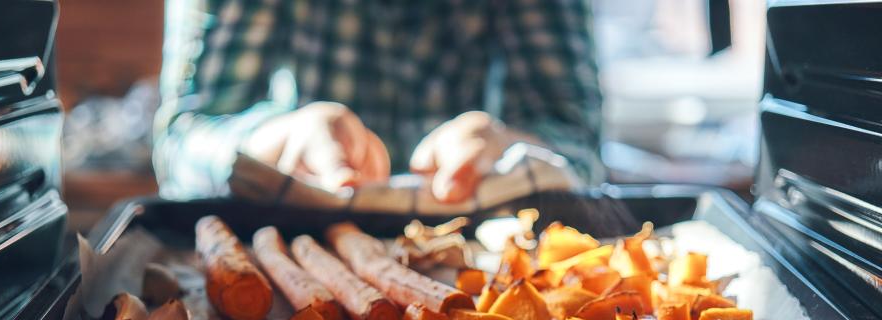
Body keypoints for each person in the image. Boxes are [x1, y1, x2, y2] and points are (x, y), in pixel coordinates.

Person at [154, 0, 602, 204]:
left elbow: (577, 144)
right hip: (290, 233)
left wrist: (508, 144)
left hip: (479, 250)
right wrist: (274, 140)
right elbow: (183, 138)